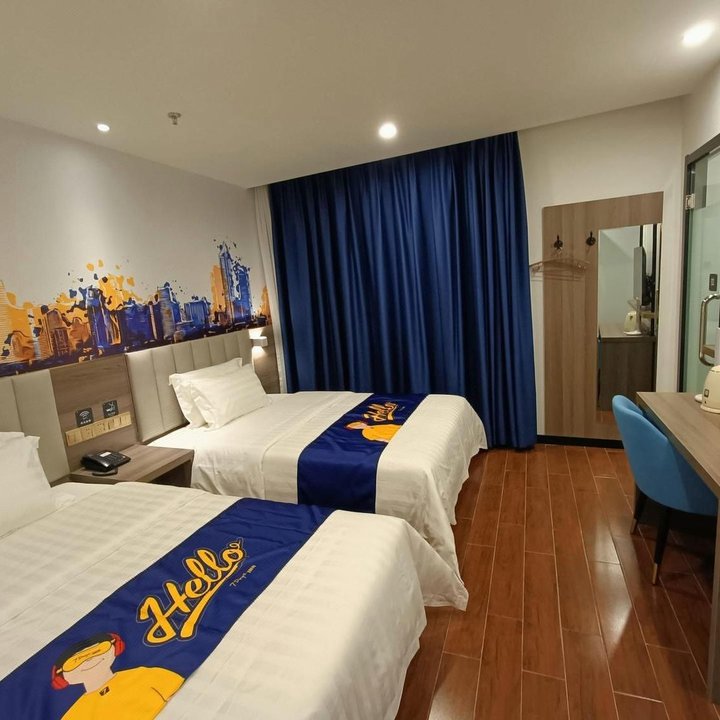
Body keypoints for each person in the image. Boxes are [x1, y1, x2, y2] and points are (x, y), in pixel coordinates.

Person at [51, 632, 183, 720]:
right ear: (61, 678)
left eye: (97, 650)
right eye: (75, 662)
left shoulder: (148, 675)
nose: (89, 660)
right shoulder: (73, 715)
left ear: (116, 647)